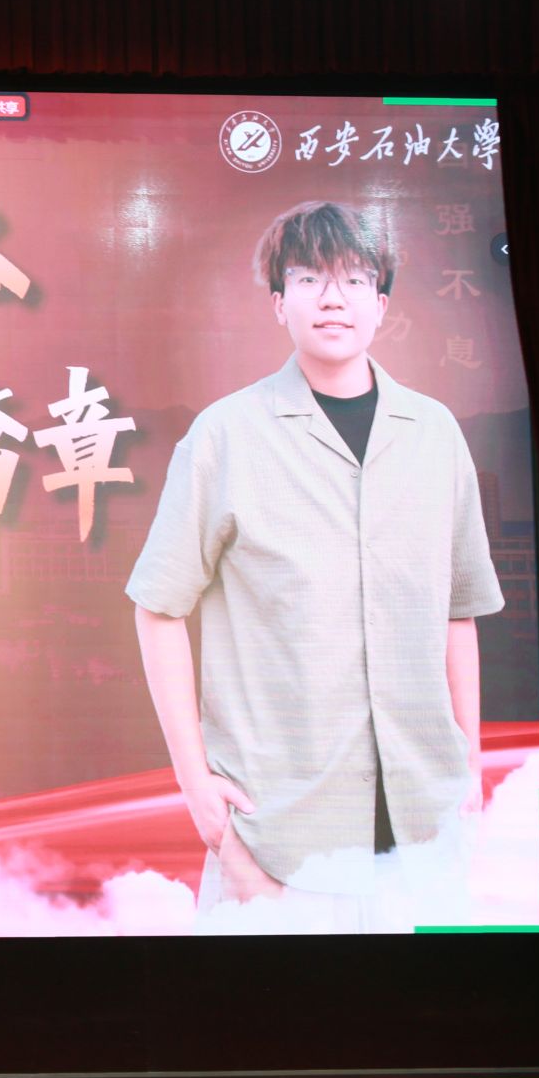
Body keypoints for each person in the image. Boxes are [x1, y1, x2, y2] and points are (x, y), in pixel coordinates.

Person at [126, 200, 502, 927]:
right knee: (271, 1004)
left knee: (420, 1003)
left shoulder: (434, 434)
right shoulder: (225, 435)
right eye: (308, 279)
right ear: (278, 301)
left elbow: (460, 613)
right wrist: (196, 785)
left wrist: (471, 764)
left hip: (424, 828)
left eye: (356, 279)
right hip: (275, 833)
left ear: (381, 303)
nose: (334, 298)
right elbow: (158, 607)